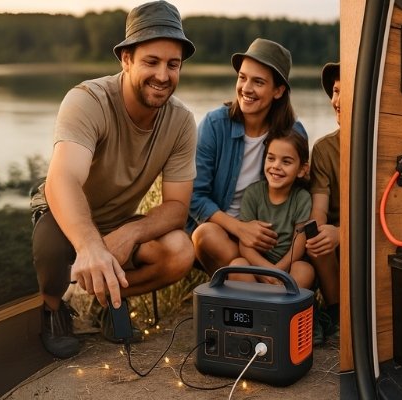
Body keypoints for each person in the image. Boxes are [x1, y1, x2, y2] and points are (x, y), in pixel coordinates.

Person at [30, 0, 197, 359]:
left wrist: (130, 233)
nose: (163, 75)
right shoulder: (87, 100)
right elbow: (63, 179)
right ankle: (53, 308)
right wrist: (91, 245)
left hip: (119, 221)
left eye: (173, 64)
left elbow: (177, 208)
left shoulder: (182, 121)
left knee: (181, 250)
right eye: (151, 62)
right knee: (53, 247)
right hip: (64, 214)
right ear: (126, 60)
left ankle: (109, 298)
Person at [190, 38, 307, 275]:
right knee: (204, 235)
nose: (246, 88)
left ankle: (255, 286)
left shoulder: (293, 134)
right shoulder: (215, 125)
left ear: (278, 91)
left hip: (273, 242)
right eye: (242, 77)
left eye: (258, 82)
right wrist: (240, 228)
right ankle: (255, 285)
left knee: (303, 270)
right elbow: (195, 196)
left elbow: (303, 194)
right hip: (225, 233)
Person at [226, 131, 315, 289]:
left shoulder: (302, 198)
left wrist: (279, 272)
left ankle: (281, 311)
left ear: (302, 169)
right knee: (238, 264)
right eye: (271, 158)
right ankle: (257, 309)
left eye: (286, 162)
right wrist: (267, 272)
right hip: (259, 269)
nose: (276, 166)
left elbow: (299, 246)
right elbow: (245, 245)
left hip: (288, 269)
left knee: (304, 270)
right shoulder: (253, 193)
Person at [307, 62, 341, 344]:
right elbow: (319, 206)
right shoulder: (324, 149)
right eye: (334, 92)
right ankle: (336, 311)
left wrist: (345, 233)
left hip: (370, 236)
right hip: (337, 243)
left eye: (344, 91)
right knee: (316, 236)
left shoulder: (384, 141)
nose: (336, 101)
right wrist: (319, 230)